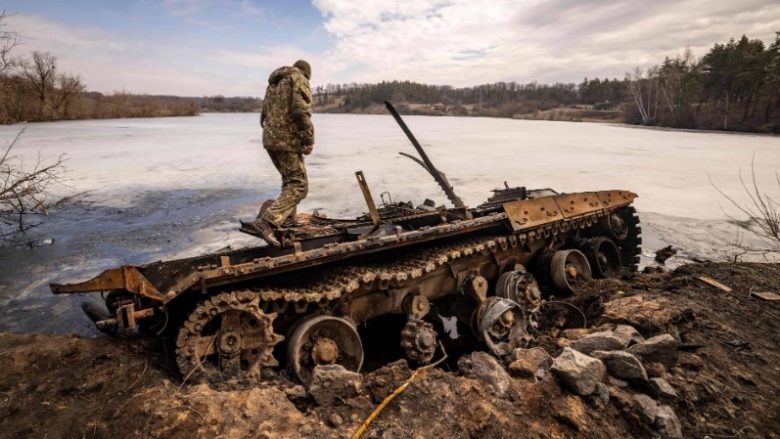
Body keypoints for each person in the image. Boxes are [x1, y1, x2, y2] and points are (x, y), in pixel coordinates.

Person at [253, 60, 314, 247]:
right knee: (299, 185)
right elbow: (299, 110)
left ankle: (287, 220)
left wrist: (272, 133)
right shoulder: (299, 78)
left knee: (289, 181)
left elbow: (263, 116)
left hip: (270, 138)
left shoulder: (274, 83)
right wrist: (308, 138)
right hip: (287, 138)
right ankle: (268, 221)